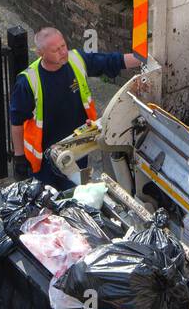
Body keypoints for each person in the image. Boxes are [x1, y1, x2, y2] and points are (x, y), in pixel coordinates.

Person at [9, 27, 142, 189]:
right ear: (40, 53)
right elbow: (16, 121)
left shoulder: (76, 60)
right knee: (49, 200)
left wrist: (143, 59)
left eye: (63, 46)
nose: (63, 52)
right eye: (55, 50)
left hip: (77, 147)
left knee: (80, 193)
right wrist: (19, 157)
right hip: (44, 158)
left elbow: (110, 61)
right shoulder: (29, 81)